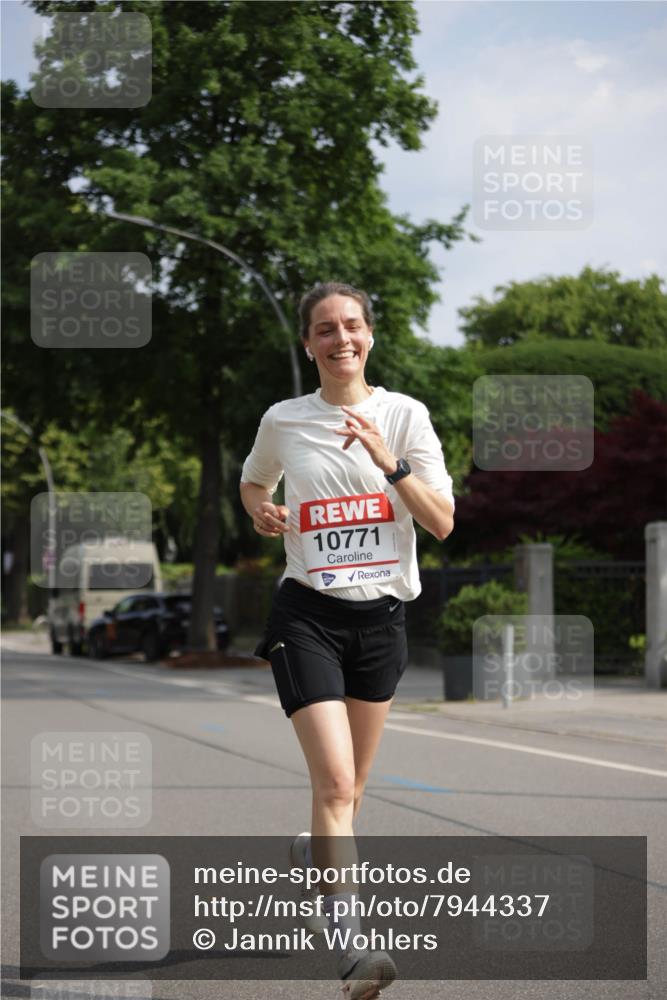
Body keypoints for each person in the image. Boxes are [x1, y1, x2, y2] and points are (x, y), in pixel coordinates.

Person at [239, 281, 455, 999]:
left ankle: (313, 856)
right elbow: (252, 483)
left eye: (352, 326)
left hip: (381, 621)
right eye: (325, 330)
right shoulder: (284, 420)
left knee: (353, 791)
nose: (341, 339)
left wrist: (386, 460)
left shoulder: (405, 416)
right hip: (307, 615)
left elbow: (441, 522)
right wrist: (262, 510)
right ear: (308, 344)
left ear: (369, 336)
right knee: (332, 783)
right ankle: (352, 949)